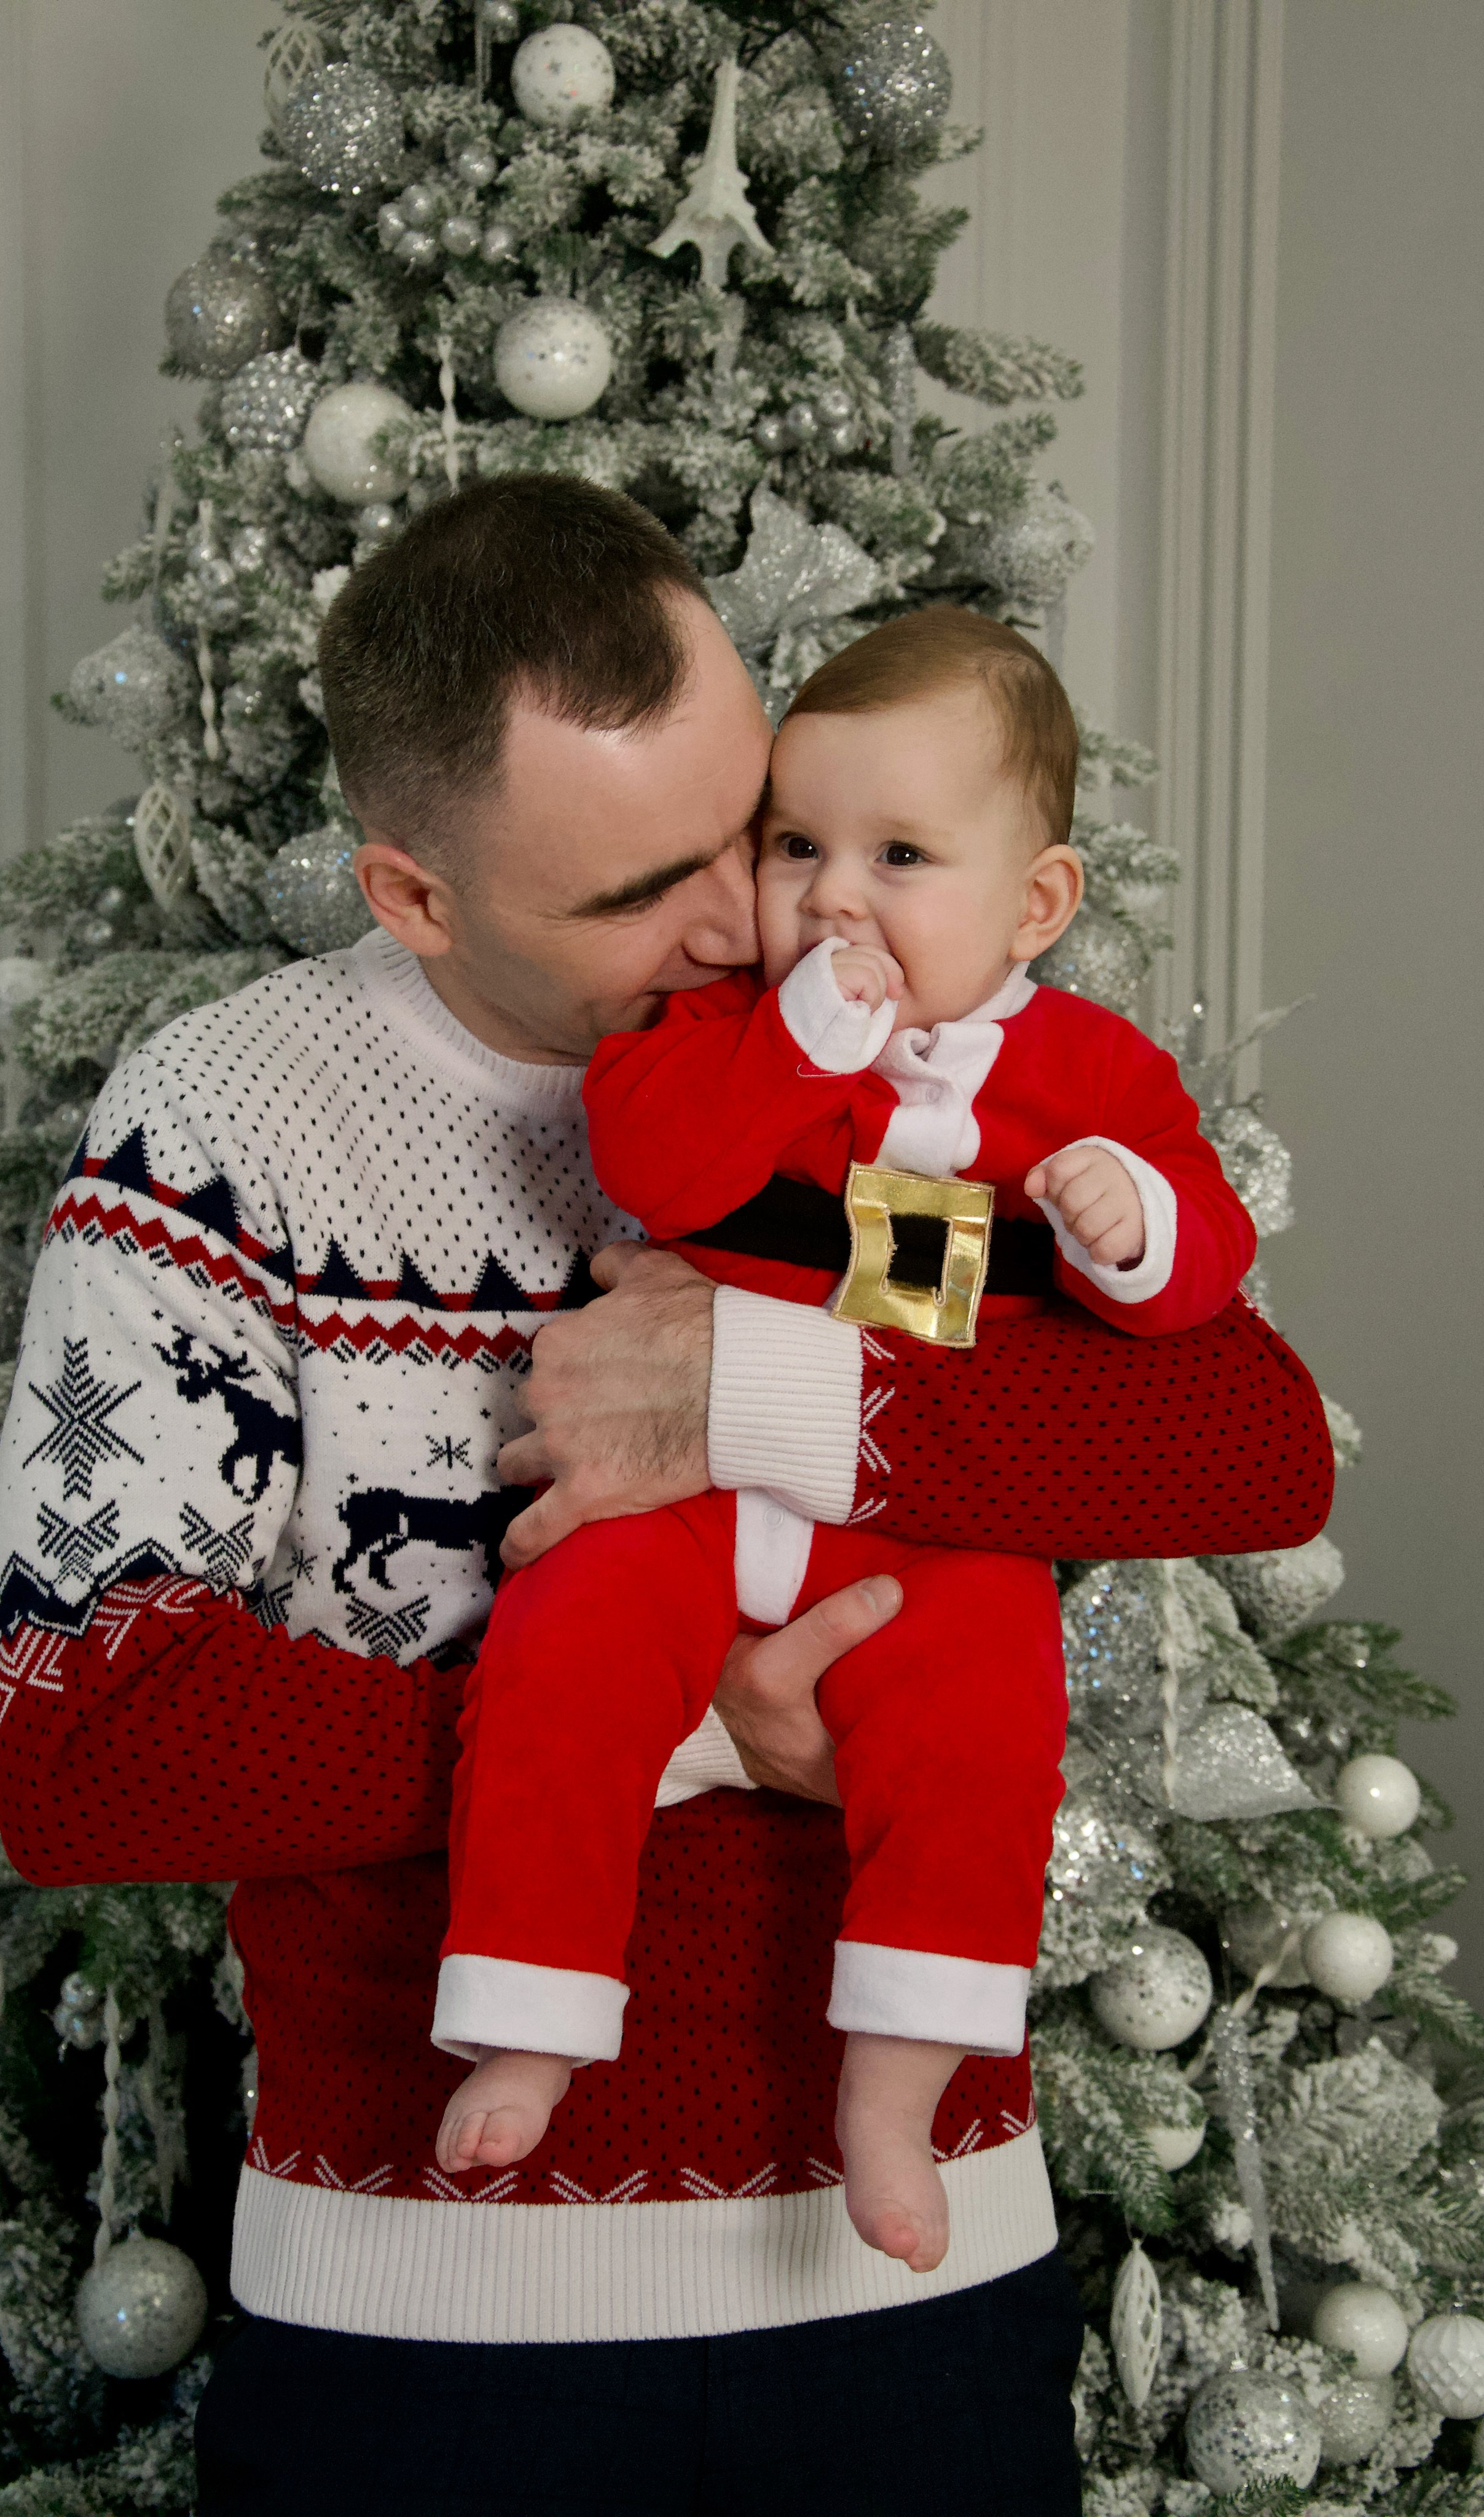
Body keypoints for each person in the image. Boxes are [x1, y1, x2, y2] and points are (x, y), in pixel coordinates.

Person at [0, 476, 1333, 2516]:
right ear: (416, 895)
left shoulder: (919, 1057)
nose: (755, 928)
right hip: (435, 2316)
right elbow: (85, 1741)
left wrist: (769, 1388)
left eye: (752, 828)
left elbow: (1247, 1442)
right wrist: (703, 1728)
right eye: (638, 893)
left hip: (922, 2280)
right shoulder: (229, 1122)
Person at [432, 607, 1256, 2279]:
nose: (830, 895)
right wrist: (793, 1044)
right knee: (560, 1655)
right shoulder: (734, 1026)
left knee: (980, 1731)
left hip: (921, 1537)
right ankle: (527, 2008)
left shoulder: (1090, 1075)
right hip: (683, 1501)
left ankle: (892, 2089)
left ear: (1033, 903)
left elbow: (1205, 1305)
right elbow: (655, 1163)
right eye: (795, 844)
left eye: (896, 854)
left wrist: (1137, 1224)